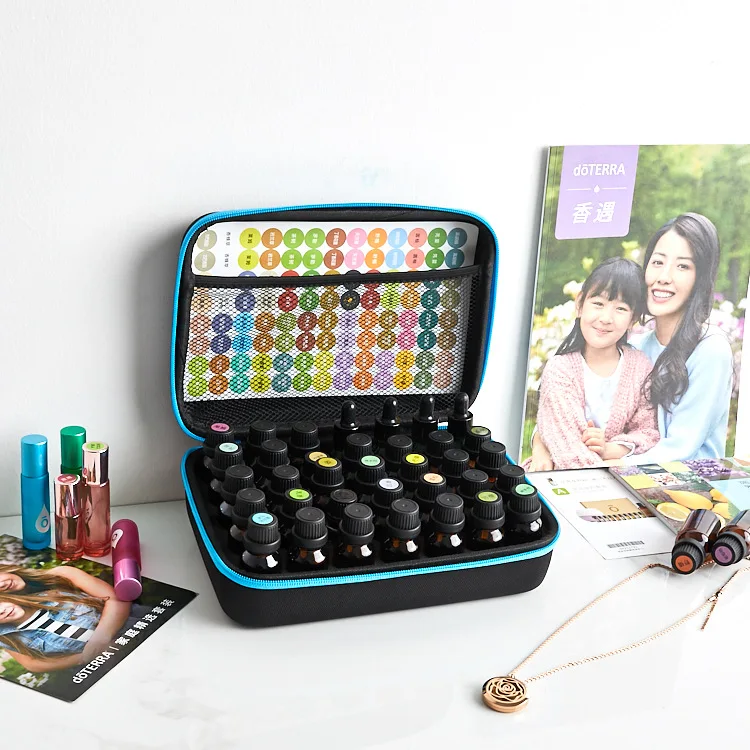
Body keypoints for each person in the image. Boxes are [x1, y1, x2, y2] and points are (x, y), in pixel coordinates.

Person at [530, 212, 734, 469]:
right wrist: (541, 444)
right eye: (658, 262)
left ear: (700, 279)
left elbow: (682, 448)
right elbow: (559, 414)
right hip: (622, 477)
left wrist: (606, 463)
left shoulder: (710, 349)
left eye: (683, 266)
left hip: (689, 482)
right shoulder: (636, 349)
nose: (664, 277)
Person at [524, 257, 659, 469]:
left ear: (633, 319)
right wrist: (610, 467)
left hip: (615, 472)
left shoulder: (640, 367)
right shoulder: (560, 369)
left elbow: (648, 432)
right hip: (562, 473)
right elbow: (567, 447)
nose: (606, 318)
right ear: (580, 305)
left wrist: (611, 449)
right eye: (598, 304)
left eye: (621, 309)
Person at [0, 565, 131, 673]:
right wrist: (86, 656)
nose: (1, 585)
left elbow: (116, 599)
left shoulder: (60, 576)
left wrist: (100, 640)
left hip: (129, 630)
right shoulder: (9, 632)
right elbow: (32, 664)